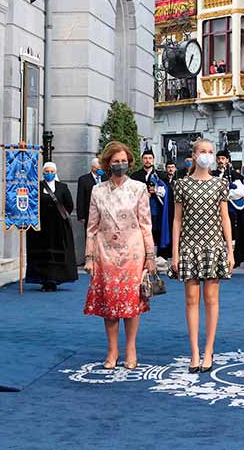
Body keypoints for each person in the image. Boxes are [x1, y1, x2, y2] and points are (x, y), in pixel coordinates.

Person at [84, 142, 157, 369]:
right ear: (107, 164)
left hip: (133, 253)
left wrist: (151, 256)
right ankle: (112, 350)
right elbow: (92, 227)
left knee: (131, 303)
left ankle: (131, 349)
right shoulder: (98, 190)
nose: (120, 165)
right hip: (105, 252)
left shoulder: (138, 188)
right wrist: (89, 258)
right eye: (115, 161)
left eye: (123, 161)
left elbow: (146, 224)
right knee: (110, 303)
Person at [171, 137, 234, 373]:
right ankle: (194, 351)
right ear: (194, 155)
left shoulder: (220, 184)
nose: (207, 154)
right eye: (203, 151)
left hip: (214, 246)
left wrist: (230, 250)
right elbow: (177, 220)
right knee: (190, 300)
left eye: (211, 151)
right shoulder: (181, 184)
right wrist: (175, 253)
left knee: (211, 299)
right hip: (189, 246)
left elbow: (225, 218)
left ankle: (209, 350)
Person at [26, 161, 79, 291]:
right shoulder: (37, 187)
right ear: (43, 173)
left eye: (51, 172)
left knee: (57, 253)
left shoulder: (62, 187)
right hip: (41, 228)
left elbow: (69, 205)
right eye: (46, 172)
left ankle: (55, 279)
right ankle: (43, 279)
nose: (49, 174)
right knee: (42, 253)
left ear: (55, 173)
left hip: (58, 227)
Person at [131, 150, 172, 257]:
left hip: (156, 211)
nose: (147, 161)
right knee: (142, 233)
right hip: (140, 211)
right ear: (142, 160)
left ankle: (157, 257)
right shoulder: (135, 176)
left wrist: (156, 190)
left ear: (153, 160)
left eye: (150, 158)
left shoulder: (161, 175)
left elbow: (167, 191)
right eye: (145, 158)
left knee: (156, 233)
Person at [74, 157, 104, 264]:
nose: (101, 169)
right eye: (99, 167)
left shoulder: (106, 178)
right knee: (90, 237)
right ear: (93, 167)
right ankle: (90, 259)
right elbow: (80, 198)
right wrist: (80, 215)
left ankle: (101, 259)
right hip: (89, 213)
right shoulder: (84, 179)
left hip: (104, 214)